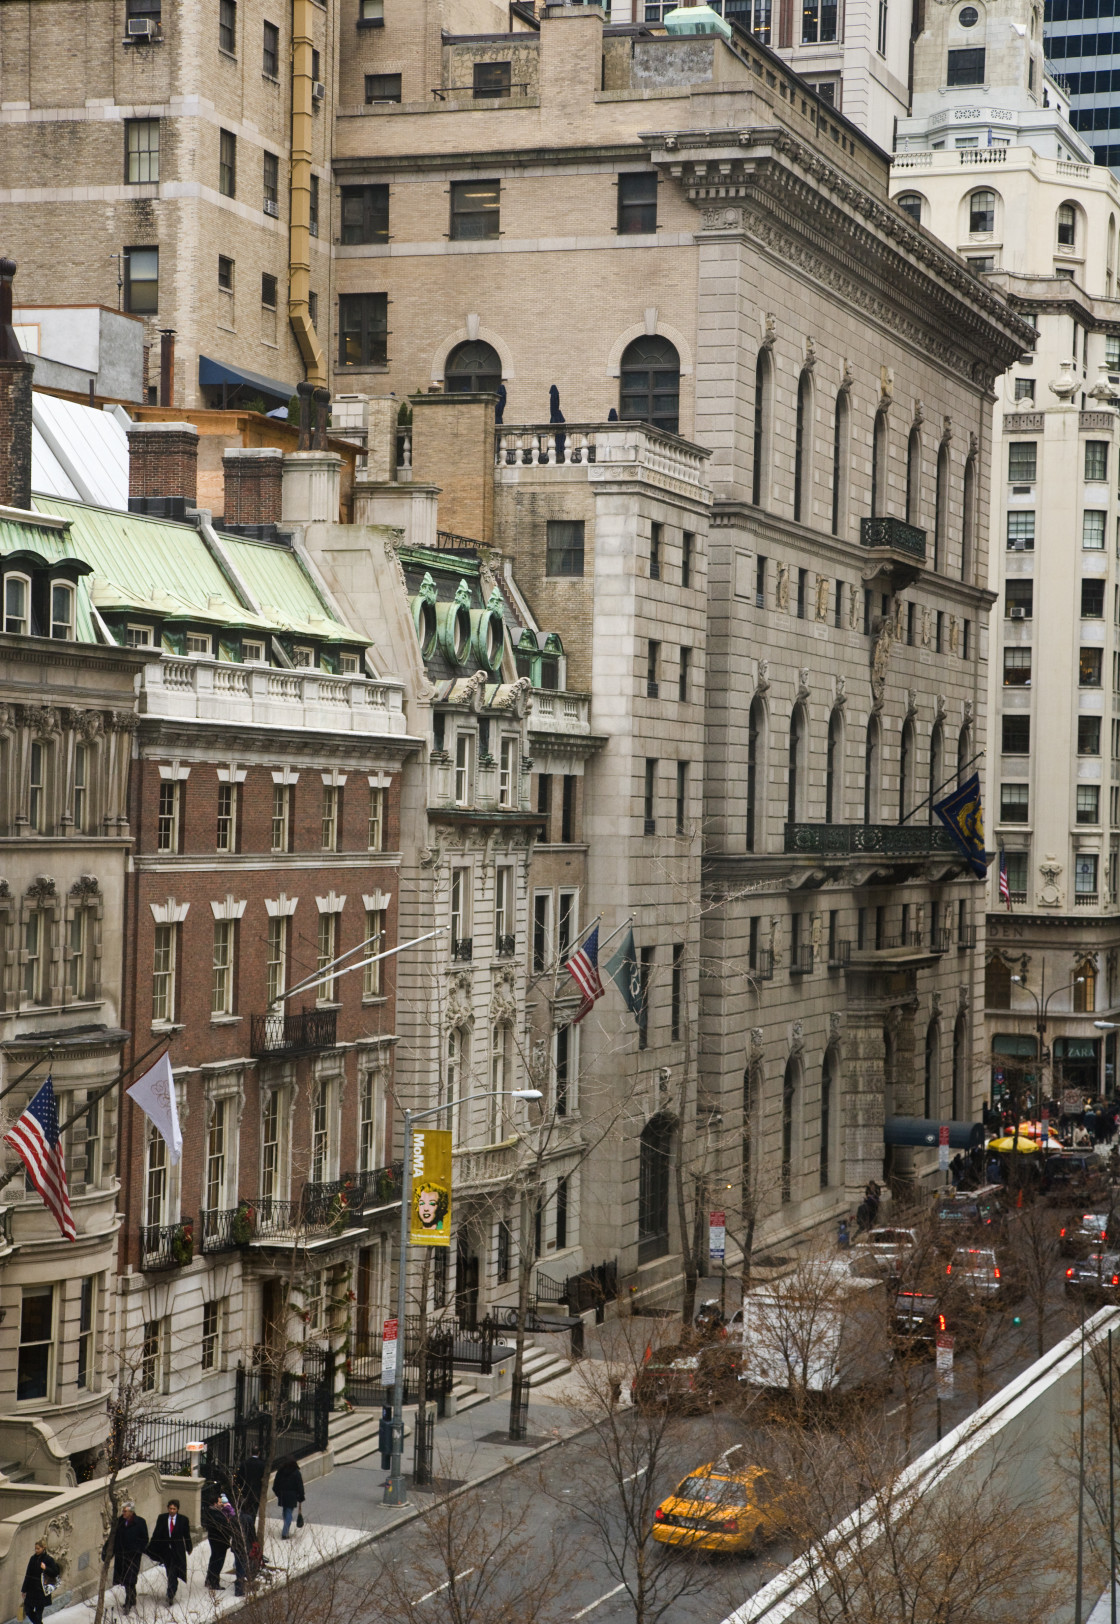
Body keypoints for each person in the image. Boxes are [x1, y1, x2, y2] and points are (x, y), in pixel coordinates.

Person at [106, 1501, 149, 1614]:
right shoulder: (120, 1522)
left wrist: (138, 1549)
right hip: (121, 1556)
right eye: (123, 1511)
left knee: (130, 1578)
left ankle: (128, 1602)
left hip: (133, 1556)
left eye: (125, 1511)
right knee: (125, 1580)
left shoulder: (140, 1522)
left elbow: (144, 1539)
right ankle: (132, 1597)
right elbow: (113, 1537)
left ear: (131, 1512)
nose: (123, 1513)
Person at [148, 1497, 192, 1604]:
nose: (172, 1511)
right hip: (166, 1551)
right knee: (170, 1572)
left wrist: (189, 1547)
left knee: (175, 1572)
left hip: (177, 1551)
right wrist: (152, 1546)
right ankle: (171, 1592)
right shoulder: (162, 1518)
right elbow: (157, 1532)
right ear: (168, 1508)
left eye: (174, 1509)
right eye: (170, 1509)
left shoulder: (183, 1520)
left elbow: (186, 1535)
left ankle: (171, 1593)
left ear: (177, 1510)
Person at [202, 1485, 236, 1591]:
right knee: (218, 1561)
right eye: (219, 1502)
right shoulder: (216, 1514)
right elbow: (225, 1526)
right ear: (214, 1504)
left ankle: (210, 1579)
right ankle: (214, 1582)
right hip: (219, 1541)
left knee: (214, 1559)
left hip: (216, 1540)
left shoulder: (213, 1512)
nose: (221, 1503)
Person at [21, 1540, 59, 1624]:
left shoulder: (48, 1559)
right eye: (35, 1548)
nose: (36, 1550)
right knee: (27, 1609)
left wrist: (46, 1568)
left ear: (43, 1548)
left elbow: (55, 1572)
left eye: (38, 1549)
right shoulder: (33, 1558)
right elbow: (28, 1574)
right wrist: (24, 1590)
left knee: (39, 1613)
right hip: (31, 1589)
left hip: (41, 1590)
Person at [272, 1455, 305, 1540]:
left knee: (285, 1511)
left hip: (283, 1494)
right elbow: (300, 1486)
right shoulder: (296, 1472)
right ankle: (285, 1532)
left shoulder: (280, 1471)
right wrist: (301, 1496)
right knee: (289, 1512)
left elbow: (275, 1485)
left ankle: (285, 1529)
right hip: (292, 1495)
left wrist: (278, 1493)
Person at [235, 1447, 266, 1517]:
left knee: (245, 1509)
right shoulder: (262, 1465)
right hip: (257, 1491)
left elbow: (239, 1477)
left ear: (251, 1453)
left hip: (245, 1490)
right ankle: (251, 1523)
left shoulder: (244, 1463)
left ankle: (245, 1524)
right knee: (254, 1510)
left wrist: (239, 1486)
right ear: (259, 1453)